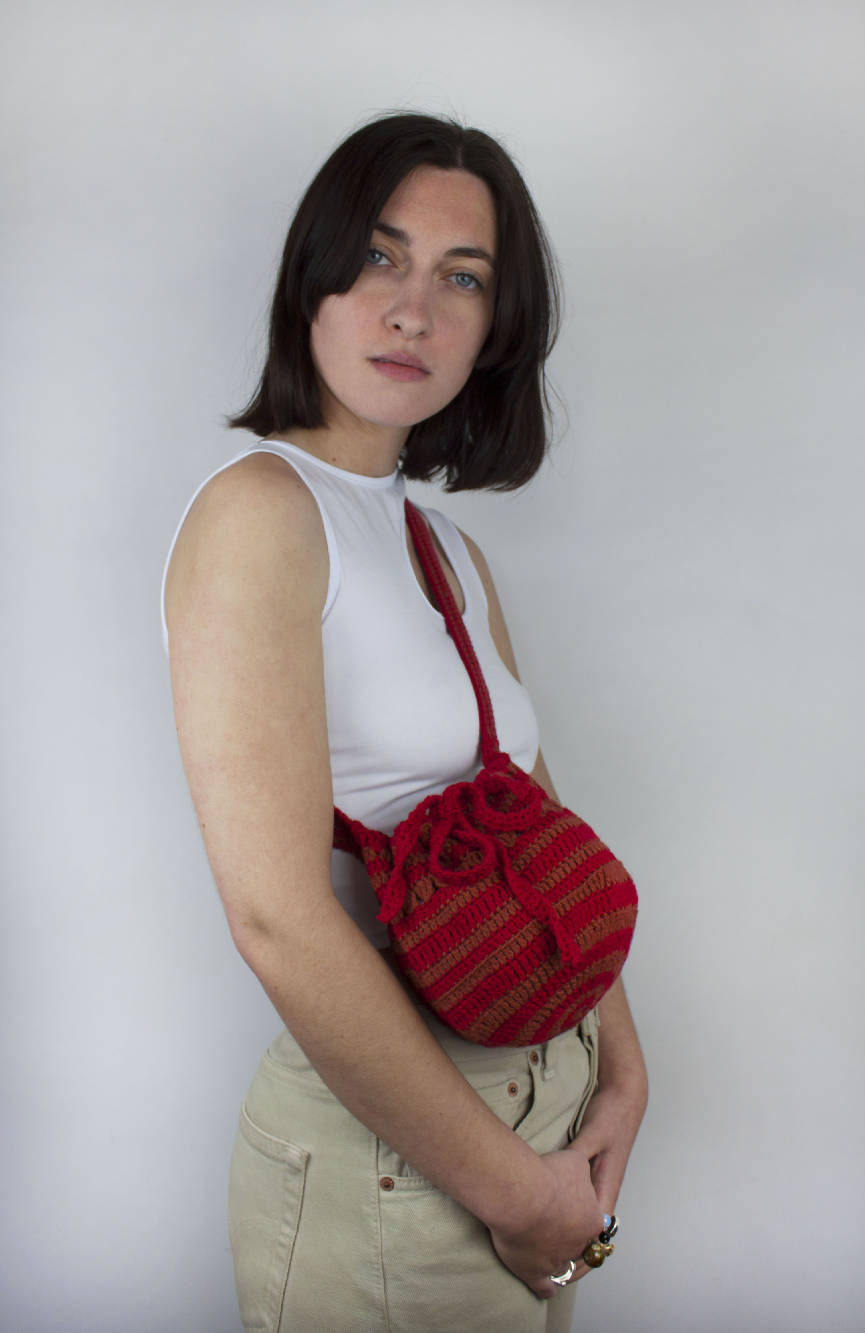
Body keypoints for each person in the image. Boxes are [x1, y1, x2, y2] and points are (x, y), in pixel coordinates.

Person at [161, 112, 648, 1333]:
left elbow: (538, 823)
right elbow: (277, 920)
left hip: (544, 1108)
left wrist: (623, 1070)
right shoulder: (261, 516)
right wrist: (521, 1198)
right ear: (314, 274)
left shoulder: (444, 546)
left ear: (495, 328)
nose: (412, 310)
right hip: (404, 1154)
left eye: (461, 277)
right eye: (379, 256)